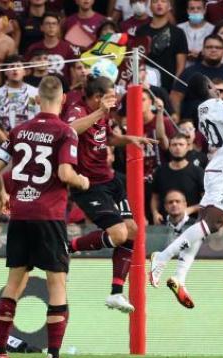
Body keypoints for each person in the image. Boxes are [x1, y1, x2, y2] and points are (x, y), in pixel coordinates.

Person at [0, 76, 90, 358]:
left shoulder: (18, 131)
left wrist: (4, 195)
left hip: (20, 214)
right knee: (57, 283)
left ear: (36, 100)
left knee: (14, 283)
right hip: (49, 215)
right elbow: (64, 172)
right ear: (63, 99)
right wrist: (83, 181)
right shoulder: (65, 131)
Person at [149, 74, 223, 308]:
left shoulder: (202, 111)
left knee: (202, 226)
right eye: (215, 85)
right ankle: (163, 256)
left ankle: (180, 276)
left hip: (216, 168)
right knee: (214, 223)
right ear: (210, 87)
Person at [66, 75, 155, 313]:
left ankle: (116, 293)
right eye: (109, 97)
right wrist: (99, 112)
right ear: (97, 97)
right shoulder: (79, 109)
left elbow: (108, 139)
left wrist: (128, 139)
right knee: (118, 234)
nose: (114, 102)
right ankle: (67, 247)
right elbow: (70, 130)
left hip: (109, 179)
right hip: (88, 185)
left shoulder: (102, 114)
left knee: (133, 231)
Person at [150, 134, 205, 224]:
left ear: (187, 147)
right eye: (174, 145)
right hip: (165, 223)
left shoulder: (198, 172)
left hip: (192, 222)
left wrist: (190, 209)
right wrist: (155, 213)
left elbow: (206, 200)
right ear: (170, 148)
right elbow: (155, 197)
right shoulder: (160, 171)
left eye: (181, 144)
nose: (178, 148)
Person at [135, 0, 188, 91]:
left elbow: (181, 66)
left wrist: (175, 89)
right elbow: (137, 61)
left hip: (168, 87)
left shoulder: (178, 33)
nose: (159, 4)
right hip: (145, 85)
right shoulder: (141, 31)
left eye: (163, 1)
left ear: (169, 6)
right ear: (150, 6)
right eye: (155, 2)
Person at [0, 55, 39, 133]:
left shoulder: (34, 92)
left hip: (28, 140)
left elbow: (40, 118)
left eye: (18, 66)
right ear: (5, 71)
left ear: (25, 71)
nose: (15, 69)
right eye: (11, 66)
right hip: (3, 141)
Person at [178, 0, 215, 66]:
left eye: (199, 8)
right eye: (192, 8)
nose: (195, 11)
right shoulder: (179, 29)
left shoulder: (213, 30)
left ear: (204, 10)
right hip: (183, 71)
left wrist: (201, 55)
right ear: (187, 11)